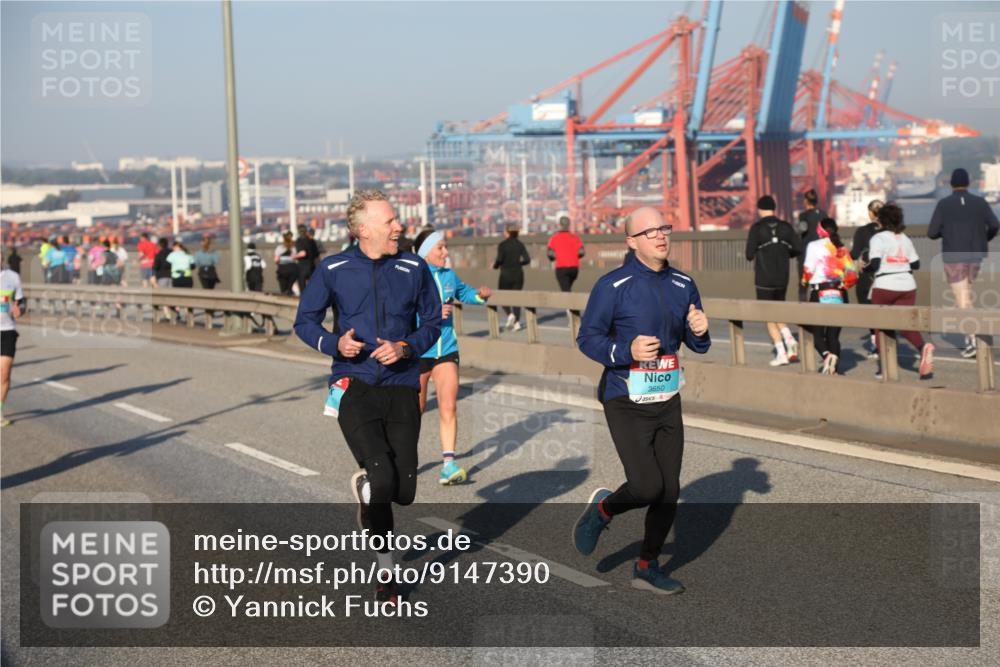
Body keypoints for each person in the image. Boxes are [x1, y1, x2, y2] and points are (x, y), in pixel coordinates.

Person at [294, 190, 442, 605]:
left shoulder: (413, 266)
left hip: (402, 383)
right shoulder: (333, 268)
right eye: (390, 221)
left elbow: (433, 321)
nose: (399, 226)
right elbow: (304, 322)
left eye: (397, 220)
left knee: (404, 490)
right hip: (353, 383)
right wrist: (334, 344)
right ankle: (386, 573)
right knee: (382, 476)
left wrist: (406, 347)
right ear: (363, 229)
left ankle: (367, 491)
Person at [574, 207, 711, 594]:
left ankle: (647, 566)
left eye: (663, 228)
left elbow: (696, 343)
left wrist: (700, 331)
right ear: (631, 242)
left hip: (666, 396)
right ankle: (604, 509)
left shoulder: (683, 283)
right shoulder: (613, 286)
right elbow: (587, 338)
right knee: (647, 486)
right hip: (625, 398)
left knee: (669, 491)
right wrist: (627, 350)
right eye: (649, 232)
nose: (660, 236)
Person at [413, 229, 492, 486]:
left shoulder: (449, 275)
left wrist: (479, 296)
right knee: (415, 410)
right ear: (426, 252)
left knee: (449, 406)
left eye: (445, 247)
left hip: (445, 349)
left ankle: (448, 465)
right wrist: (432, 314)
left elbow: (464, 292)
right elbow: (401, 312)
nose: (446, 252)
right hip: (418, 351)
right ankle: (404, 459)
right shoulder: (412, 277)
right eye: (440, 248)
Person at [928, 167, 1000, 358]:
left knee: (962, 299)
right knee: (966, 295)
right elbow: (994, 224)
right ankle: (975, 335)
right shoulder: (980, 202)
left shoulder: (944, 204)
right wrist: (984, 238)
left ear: (951, 183)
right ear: (968, 182)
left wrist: (947, 232)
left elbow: (932, 232)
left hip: (953, 255)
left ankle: (973, 339)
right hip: (976, 255)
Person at [867, 202, 935, 380]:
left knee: (881, 327)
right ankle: (922, 347)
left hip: (885, 285)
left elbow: (874, 264)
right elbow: (916, 264)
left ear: (881, 220)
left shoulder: (878, 238)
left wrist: (864, 268)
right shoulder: (905, 238)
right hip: (907, 286)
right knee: (905, 325)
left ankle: (885, 369)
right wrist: (900, 261)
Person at [745, 195, 801, 366]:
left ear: (760, 209)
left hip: (764, 279)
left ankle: (781, 353)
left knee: (768, 316)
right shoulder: (786, 227)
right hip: (782, 278)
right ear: (773, 208)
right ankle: (789, 338)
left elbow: (749, 254)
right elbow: (798, 248)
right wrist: (785, 253)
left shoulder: (757, 228)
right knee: (778, 311)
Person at [801, 218, 859, 375]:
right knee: (833, 336)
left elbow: (808, 270)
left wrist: (804, 283)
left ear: (820, 230)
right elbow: (852, 275)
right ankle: (834, 370)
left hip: (820, 292)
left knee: (816, 333)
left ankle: (827, 356)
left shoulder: (813, 245)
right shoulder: (841, 248)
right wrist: (843, 285)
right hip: (839, 292)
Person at [850, 200, 884, 358]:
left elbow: (854, 254)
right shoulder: (890, 231)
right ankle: (884, 341)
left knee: (868, 308)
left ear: (870, 213)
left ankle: (875, 343)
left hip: (868, 275)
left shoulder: (862, 231)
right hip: (888, 274)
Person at [1, 257, 25, 427]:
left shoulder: (13, 277)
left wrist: (19, 311)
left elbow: (21, 303)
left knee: (4, 373)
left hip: (7, 331)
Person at [493, 223, 530, 331]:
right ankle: (517, 323)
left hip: (506, 274)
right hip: (518, 274)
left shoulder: (502, 245)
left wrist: (495, 266)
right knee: (516, 298)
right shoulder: (520, 244)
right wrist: (519, 264)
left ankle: (510, 314)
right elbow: (527, 259)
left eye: (505, 231)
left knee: (501, 296)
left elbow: (499, 259)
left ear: (508, 232)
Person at [796, 189, 826, 301]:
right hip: (822, 252)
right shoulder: (824, 214)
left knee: (803, 283)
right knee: (820, 281)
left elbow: (803, 228)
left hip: (806, 252)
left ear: (806, 201)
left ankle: (803, 307)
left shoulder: (803, 215)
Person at [547, 213, 585, 292]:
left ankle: (570, 300)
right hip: (574, 268)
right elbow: (582, 252)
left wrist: (554, 258)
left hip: (561, 268)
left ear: (559, 225)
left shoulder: (554, 238)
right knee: (567, 287)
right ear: (569, 224)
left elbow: (550, 254)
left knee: (565, 290)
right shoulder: (575, 238)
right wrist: (574, 257)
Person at [295, 225, 320, 294]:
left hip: (302, 266)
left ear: (298, 231)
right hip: (312, 265)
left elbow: (303, 253)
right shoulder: (312, 241)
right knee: (312, 285)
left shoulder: (299, 241)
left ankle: (304, 298)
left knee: (302, 285)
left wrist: (293, 256)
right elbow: (316, 254)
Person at [275, 232, 299, 296]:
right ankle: (289, 291)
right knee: (289, 286)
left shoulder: (279, 248)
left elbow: (276, 260)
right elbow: (296, 258)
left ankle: (284, 293)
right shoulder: (293, 248)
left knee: (283, 288)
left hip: (282, 269)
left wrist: (279, 263)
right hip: (292, 268)